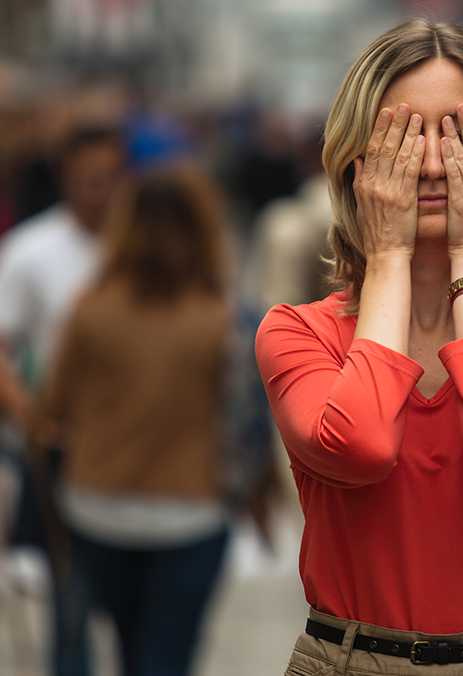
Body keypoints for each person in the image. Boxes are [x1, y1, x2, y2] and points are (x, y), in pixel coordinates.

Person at [256, 18, 463, 676]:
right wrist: (386, 261)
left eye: (457, 133)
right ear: (357, 158)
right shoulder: (296, 332)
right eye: (406, 135)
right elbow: (361, 445)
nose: (433, 163)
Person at [39, 162, 232, 676]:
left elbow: (54, 406)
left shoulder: (90, 309)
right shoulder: (221, 319)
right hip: (192, 510)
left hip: (98, 504)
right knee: (167, 657)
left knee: (124, 647)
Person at [0, 123, 126, 676]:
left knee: (133, 610)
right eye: (87, 181)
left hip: (138, 450)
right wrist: (32, 419)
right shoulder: (31, 251)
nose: (100, 193)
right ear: (64, 179)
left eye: (110, 180)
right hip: (65, 452)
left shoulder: (143, 246)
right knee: (71, 609)